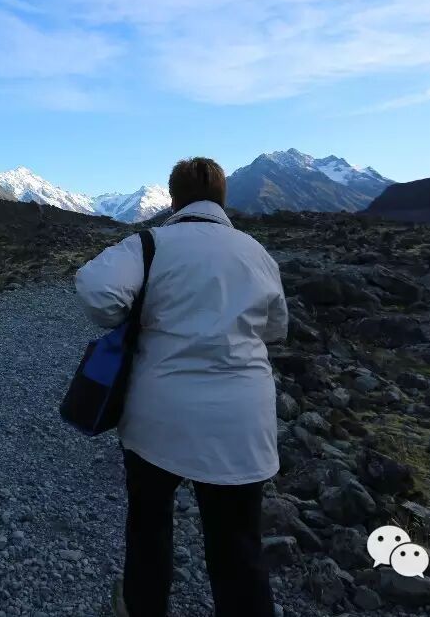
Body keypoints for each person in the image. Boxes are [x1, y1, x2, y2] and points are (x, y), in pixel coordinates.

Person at [75, 157, 286, 617]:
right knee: (238, 547)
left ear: (173, 199)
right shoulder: (257, 253)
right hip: (242, 423)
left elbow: (96, 289)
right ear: (223, 198)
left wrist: (130, 316)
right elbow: (275, 328)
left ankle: (142, 606)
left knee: (149, 527)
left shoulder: (149, 244)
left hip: (159, 417)